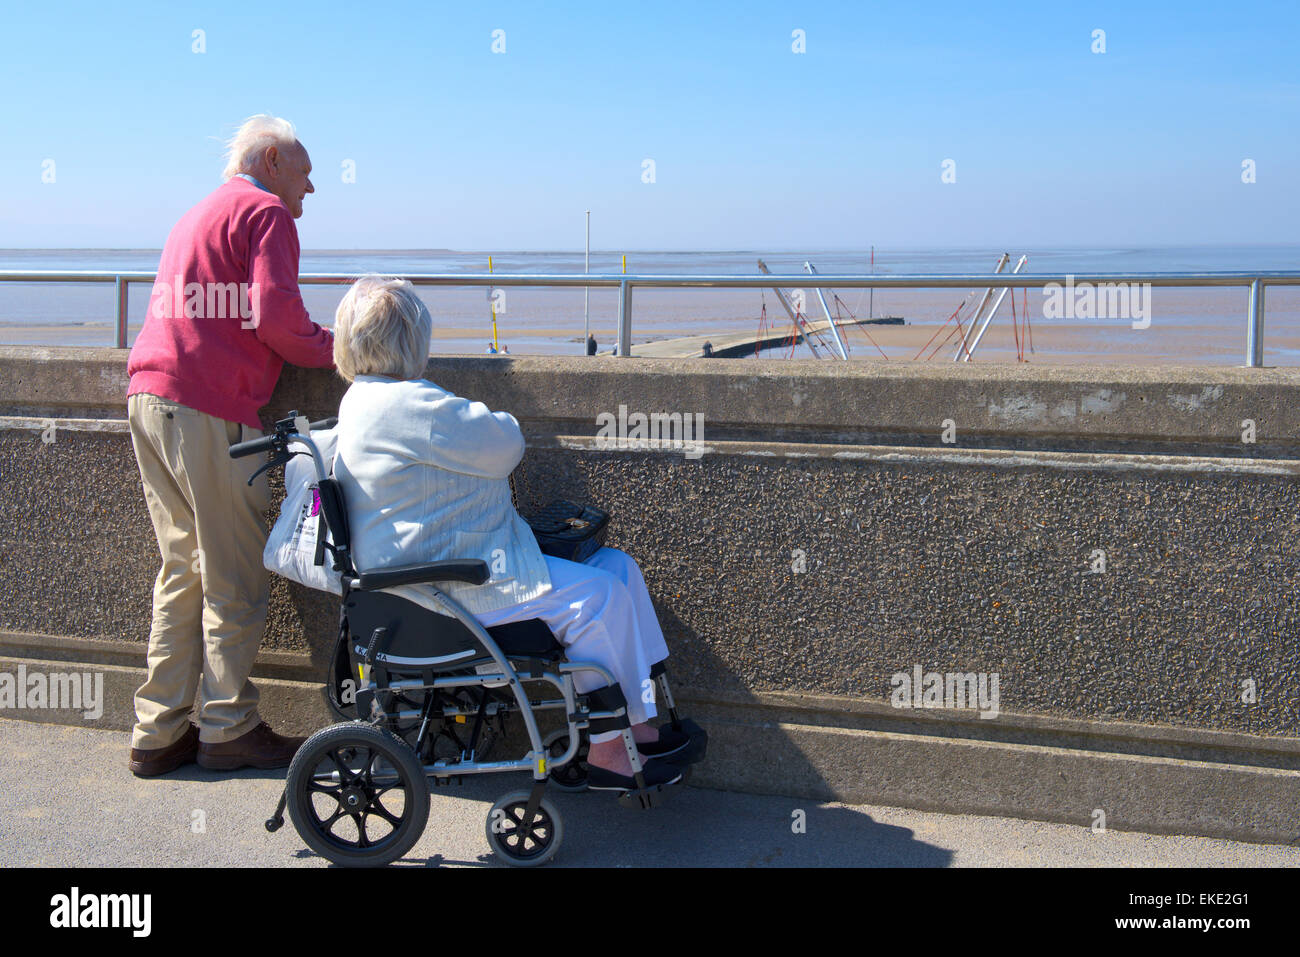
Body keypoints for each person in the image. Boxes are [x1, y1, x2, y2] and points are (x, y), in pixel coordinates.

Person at [331, 276, 687, 790]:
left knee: (618, 568)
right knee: (601, 596)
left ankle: (640, 722)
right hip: (445, 591)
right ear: (412, 339)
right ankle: (610, 750)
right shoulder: (410, 405)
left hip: (432, 573)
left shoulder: (363, 399)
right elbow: (505, 443)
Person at [125, 115, 335, 776]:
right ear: (272, 159)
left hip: (148, 395)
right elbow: (277, 320)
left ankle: (157, 730)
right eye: (305, 171)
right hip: (208, 406)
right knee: (236, 573)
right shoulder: (266, 212)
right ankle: (226, 726)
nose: (311, 189)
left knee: (182, 566)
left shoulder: (197, 213)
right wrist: (346, 349)